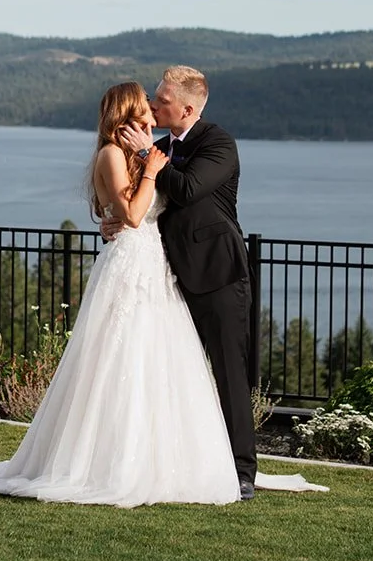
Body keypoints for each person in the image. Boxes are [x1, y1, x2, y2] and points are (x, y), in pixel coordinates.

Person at [0, 81, 241, 506]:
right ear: (128, 114)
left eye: (157, 106)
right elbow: (134, 215)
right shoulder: (114, 154)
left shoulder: (147, 152)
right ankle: (105, 464)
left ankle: (165, 462)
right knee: (118, 356)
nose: (153, 113)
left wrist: (147, 170)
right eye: (146, 107)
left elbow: (167, 199)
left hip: (155, 266)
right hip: (130, 264)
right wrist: (149, 170)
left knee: (158, 359)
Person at [108, 65, 260, 498]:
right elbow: (138, 201)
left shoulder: (218, 143)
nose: (155, 106)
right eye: (155, 98)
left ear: (188, 108)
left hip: (219, 276)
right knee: (176, 374)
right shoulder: (155, 149)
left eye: (163, 101)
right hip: (167, 279)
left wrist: (144, 157)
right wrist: (113, 221)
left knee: (230, 375)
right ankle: (186, 462)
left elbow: (189, 188)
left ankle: (242, 472)